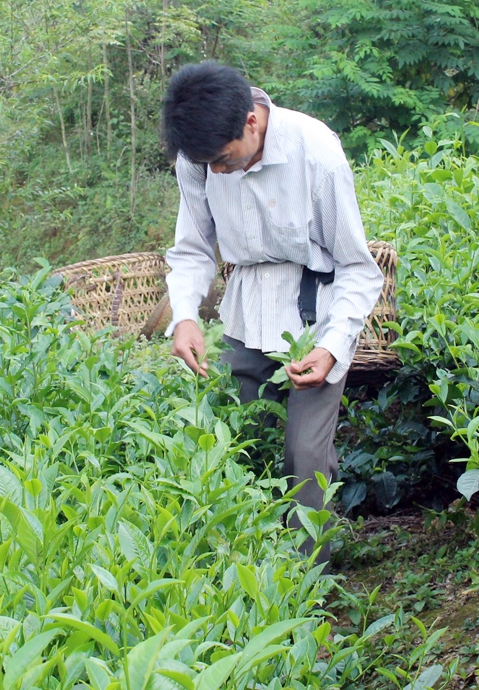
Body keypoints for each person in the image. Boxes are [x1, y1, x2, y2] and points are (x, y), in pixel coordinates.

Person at [161, 62, 383, 566]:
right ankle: (243, 568)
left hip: (314, 316)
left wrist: (331, 346)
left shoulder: (315, 150)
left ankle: (307, 584)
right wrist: (186, 317)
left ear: (252, 123)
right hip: (244, 310)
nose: (216, 172)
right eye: (206, 164)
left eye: (222, 160)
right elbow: (194, 248)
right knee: (233, 438)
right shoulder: (198, 159)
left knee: (305, 456)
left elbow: (358, 267)